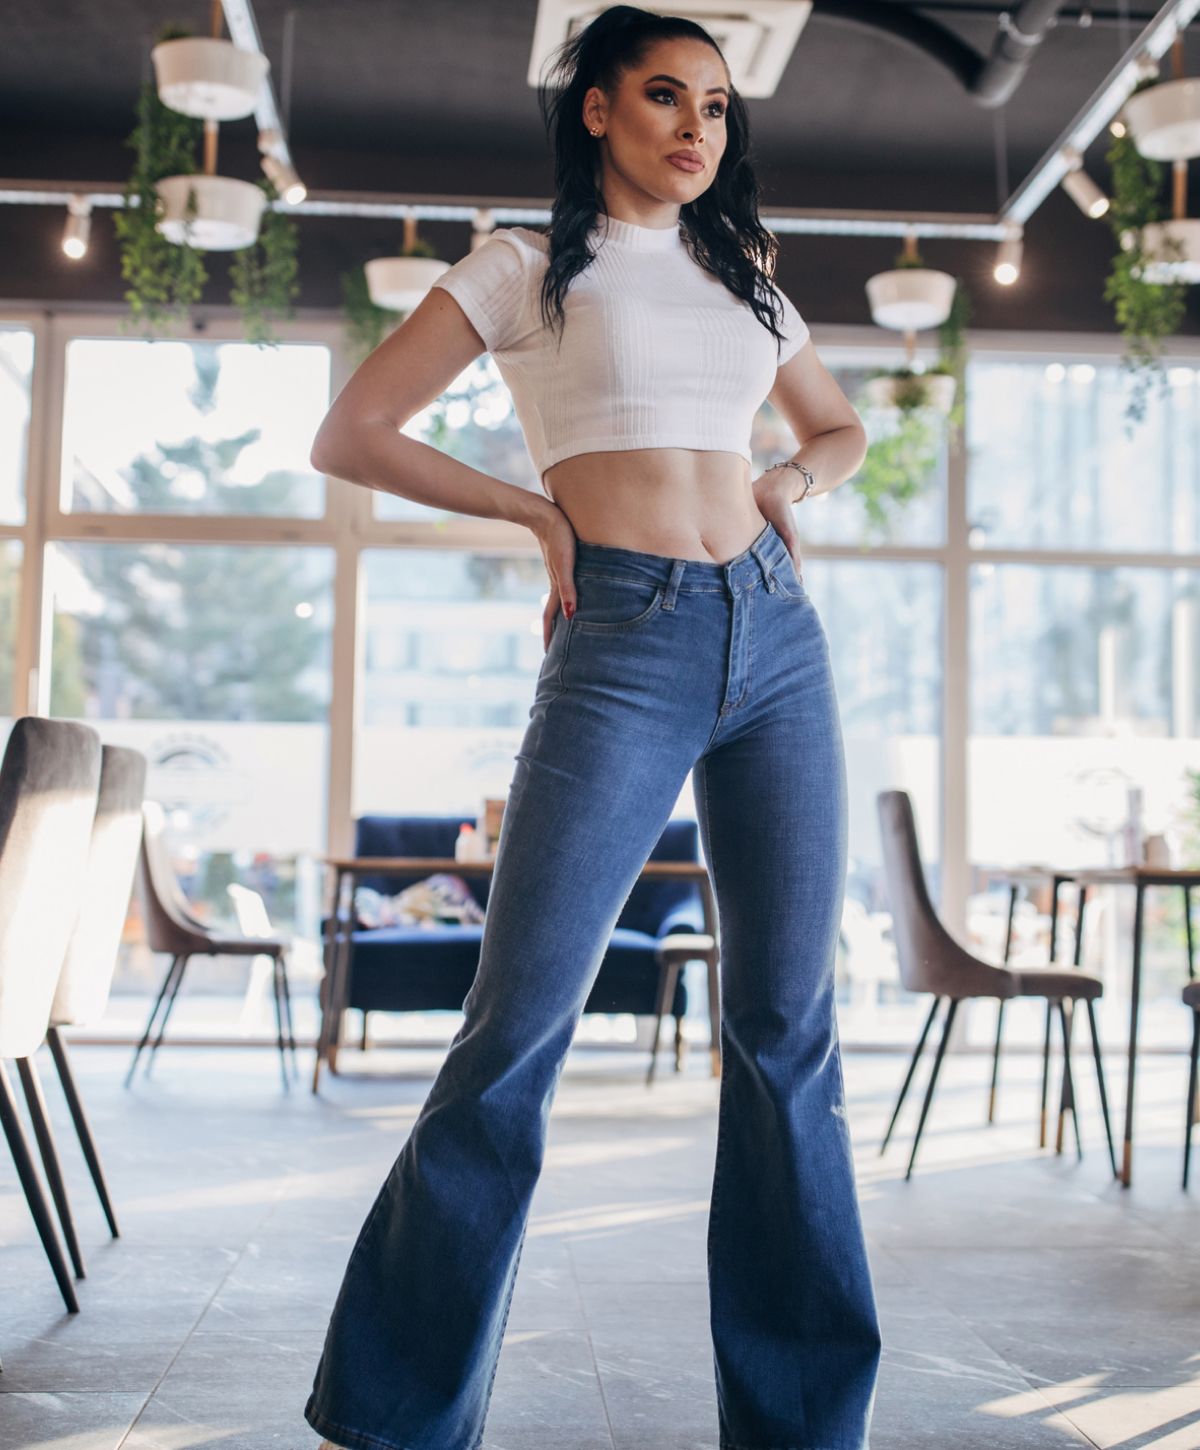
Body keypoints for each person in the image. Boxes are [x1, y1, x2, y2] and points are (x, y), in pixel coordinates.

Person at [306, 6, 882, 1449]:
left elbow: (834, 428)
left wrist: (784, 494)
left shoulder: (743, 271)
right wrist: (528, 508)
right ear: (597, 111)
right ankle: (396, 1417)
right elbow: (355, 430)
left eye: (719, 106)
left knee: (787, 1031)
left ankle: (804, 1421)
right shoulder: (522, 264)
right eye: (667, 97)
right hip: (623, 635)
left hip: (776, 637)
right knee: (516, 1031)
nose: (699, 126)